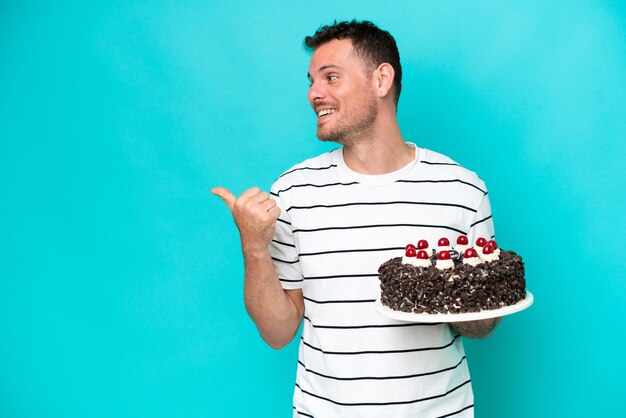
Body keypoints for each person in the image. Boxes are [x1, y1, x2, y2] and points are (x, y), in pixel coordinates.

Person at [213, 20, 500, 418]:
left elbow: (483, 327)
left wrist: (462, 299)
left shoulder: (461, 189)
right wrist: (253, 246)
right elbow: (277, 333)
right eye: (312, 81)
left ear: (382, 80)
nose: (315, 93)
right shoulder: (294, 191)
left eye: (331, 77)